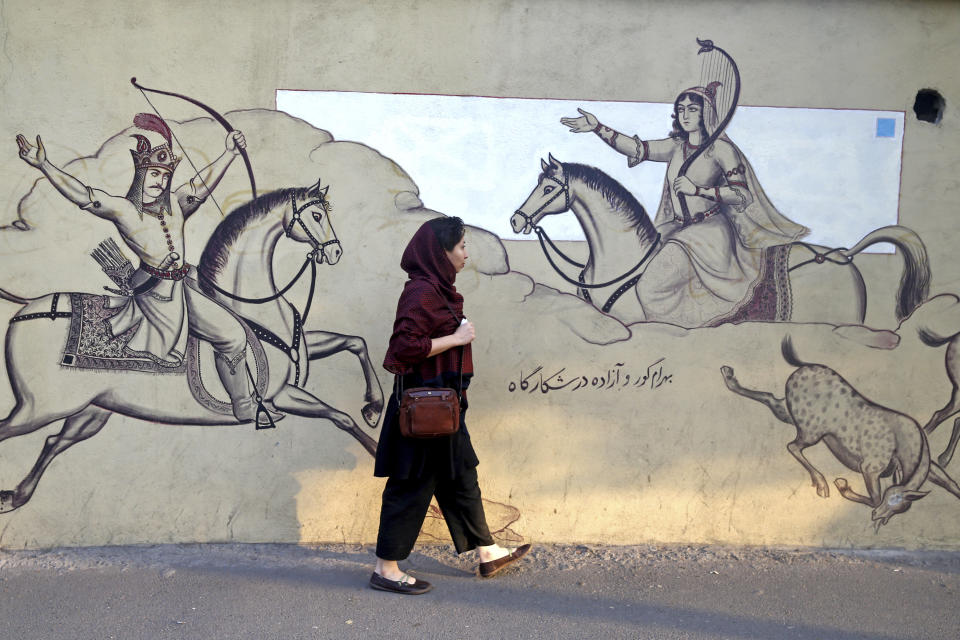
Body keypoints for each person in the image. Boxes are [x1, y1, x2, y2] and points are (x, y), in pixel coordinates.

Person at [16, 113, 271, 423]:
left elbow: (201, 185)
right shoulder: (124, 210)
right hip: (153, 299)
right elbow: (84, 195)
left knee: (232, 335)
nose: (159, 182)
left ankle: (243, 404)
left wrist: (229, 153)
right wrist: (44, 165)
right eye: (153, 175)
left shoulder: (176, 204)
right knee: (217, 337)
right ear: (140, 175)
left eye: (164, 177)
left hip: (181, 289)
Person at [561, 84, 809, 327]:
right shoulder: (676, 146)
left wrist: (698, 190)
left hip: (709, 232)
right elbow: (638, 148)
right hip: (677, 228)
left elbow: (741, 194)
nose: (685, 115)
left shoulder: (721, 150)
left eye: (692, 109)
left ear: (705, 114)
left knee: (652, 287)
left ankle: (683, 333)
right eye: (681, 110)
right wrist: (597, 128)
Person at [370, 217, 530, 595]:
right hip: (426, 408)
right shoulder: (422, 292)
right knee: (411, 484)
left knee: (460, 475)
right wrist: (456, 338)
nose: (465, 254)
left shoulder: (438, 291)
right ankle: (386, 568)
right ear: (439, 253)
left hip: (445, 406)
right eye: (460, 246)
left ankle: (487, 551)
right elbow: (403, 348)